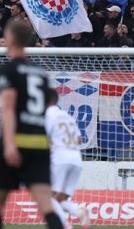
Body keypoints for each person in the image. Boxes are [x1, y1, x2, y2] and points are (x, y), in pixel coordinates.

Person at [0, 19, 63, 229]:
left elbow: (9, 108)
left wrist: (10, 144)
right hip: (39, 144)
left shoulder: (8, 70)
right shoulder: (40, 74)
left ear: (10, 38)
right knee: (47, 208)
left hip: (16, 141)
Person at [44, 88, 89, 229]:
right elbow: (79, 140)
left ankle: (65, 225)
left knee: (48, 197)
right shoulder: (67, 116)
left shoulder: (47, 116)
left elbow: (43, 138)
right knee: (61, 199)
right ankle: (79, 212)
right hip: (76, 160)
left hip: (60, 159)